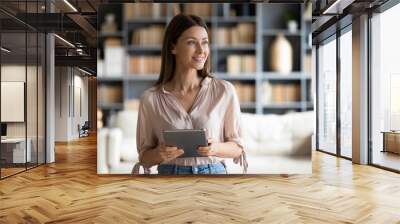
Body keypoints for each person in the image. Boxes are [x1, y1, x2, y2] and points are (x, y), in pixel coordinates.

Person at [132, 14, 247, 175]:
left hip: (214, 177)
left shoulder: (224, 91)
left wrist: (215, 148)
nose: (201, 50)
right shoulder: (150, 99)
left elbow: (237, 148)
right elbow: (144, 156)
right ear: (173, 47)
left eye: (205, 42)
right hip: (169, 179)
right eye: (192, 42)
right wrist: (160, 154)